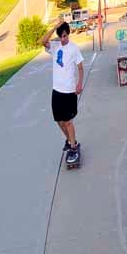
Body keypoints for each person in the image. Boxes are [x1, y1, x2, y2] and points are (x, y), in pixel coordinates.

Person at [40, 19, 84, 164]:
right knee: (59, 121)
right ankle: (71, 141)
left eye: (65, 36)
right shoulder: (54, 46)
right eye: (61, 36)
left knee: (68, 122)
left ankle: (73, 147)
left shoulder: (74, 48)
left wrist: (79, 83)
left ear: (68, 35)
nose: (64, 39)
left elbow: (80, 67)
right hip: (57, 91)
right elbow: (42, 41)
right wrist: (54, 28)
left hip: (69, 91)